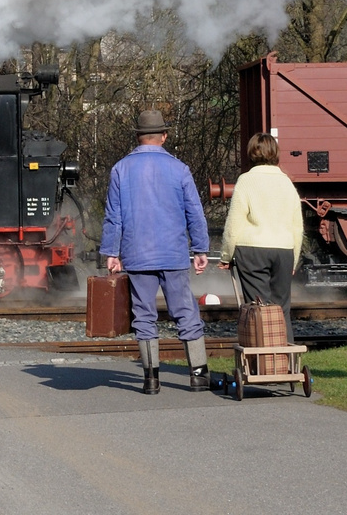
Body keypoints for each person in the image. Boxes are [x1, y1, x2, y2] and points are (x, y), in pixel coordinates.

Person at [100, 109, 211, 394]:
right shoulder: (179, 169)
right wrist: (200, 248)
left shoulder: (121, 169)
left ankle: (151, 379)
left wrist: (111, 252)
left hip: (137, 254)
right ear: (164, 136)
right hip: (173, 253)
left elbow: (114, 216)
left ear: (138, 137)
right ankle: (198, 375)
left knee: (144, 315)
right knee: (185, 311)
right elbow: (194, 213)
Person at [219, 132, 304, 337]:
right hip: (284, 249)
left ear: (251, 154)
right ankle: (287, 361)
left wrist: (226, 256)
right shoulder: (286, 183)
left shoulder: (246, 181)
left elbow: (234, 224)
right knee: (282, 309)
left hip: (252, 250)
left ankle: (262, 362)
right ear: (275, 153)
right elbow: (297, 227)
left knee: (259, 309)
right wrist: (293, 260)